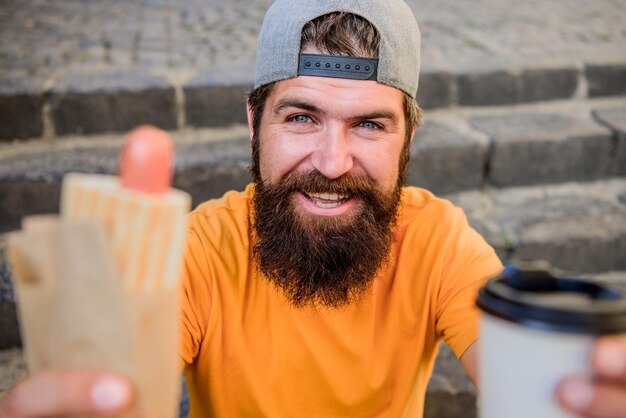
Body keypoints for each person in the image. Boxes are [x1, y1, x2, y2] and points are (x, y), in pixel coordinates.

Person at [2, 0, 626, 417]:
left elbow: (526, 373)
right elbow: (122, 383)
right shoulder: (196, 251)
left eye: (370, 125)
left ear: (409, 134)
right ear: (255, 122)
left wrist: (574, 391)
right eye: (301, 117)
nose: (332, 162)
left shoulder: (438, 242)